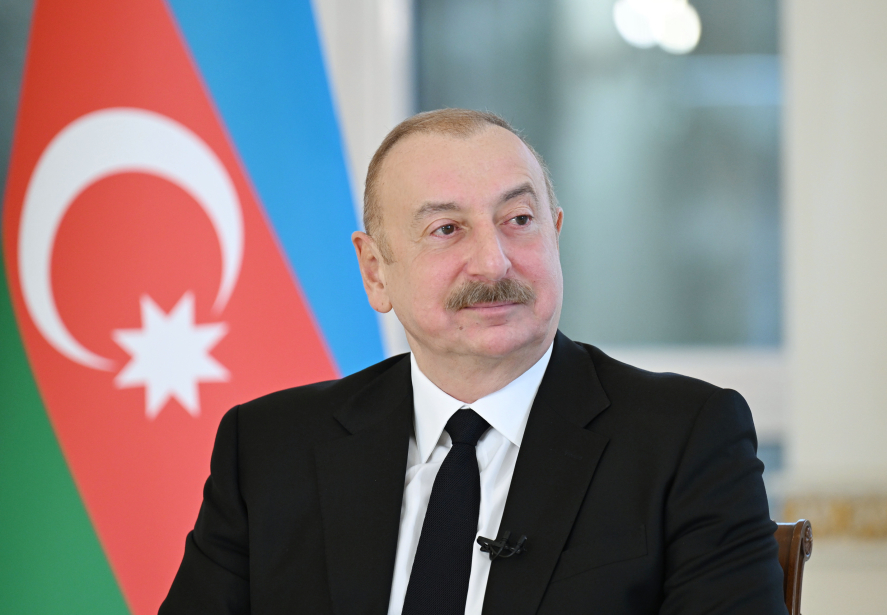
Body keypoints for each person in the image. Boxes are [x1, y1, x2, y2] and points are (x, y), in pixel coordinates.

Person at [160, 109, 787, 614]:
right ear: (375, 271)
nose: (494, 262)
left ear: (555, 234)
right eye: (447, 229)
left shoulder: (685, 439)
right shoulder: (269, 448)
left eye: (518, 219)